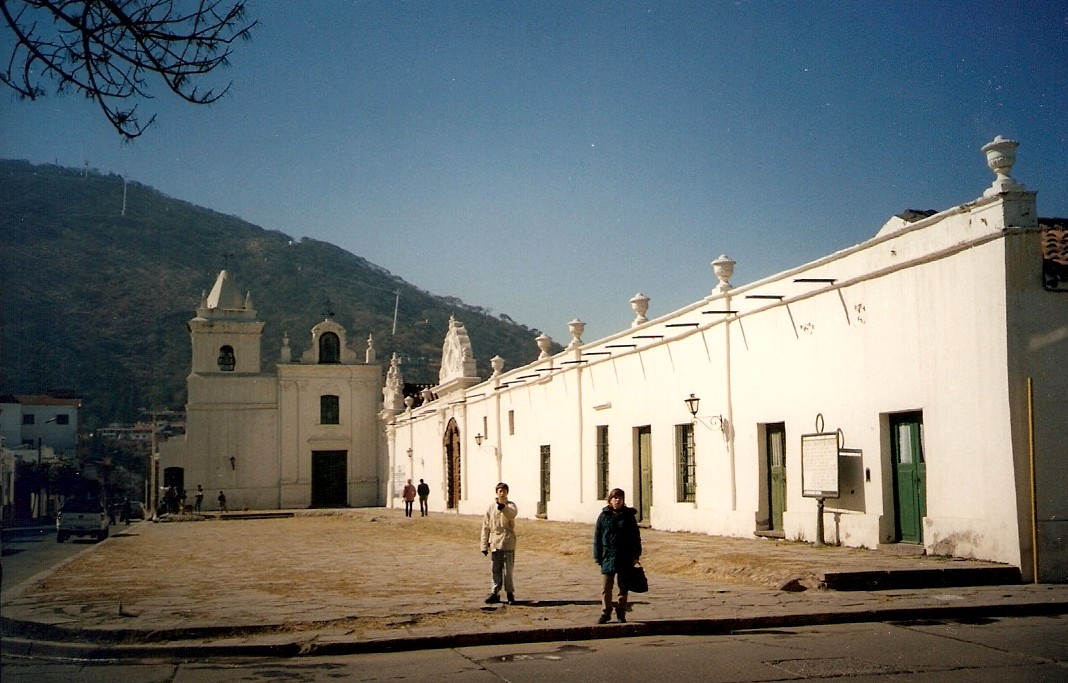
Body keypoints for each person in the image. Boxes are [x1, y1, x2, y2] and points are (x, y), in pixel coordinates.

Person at [593, 488, 642, 624]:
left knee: (623, 587)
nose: (617, 500)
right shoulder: (604, 516)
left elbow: (635, 537)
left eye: (620, 498)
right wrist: (597, 555)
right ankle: (605, 612)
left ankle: (621, 613)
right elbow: (597, 537)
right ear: (610, 500)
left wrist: (636, 555)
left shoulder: (628, 517)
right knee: (606, 588)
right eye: (615, 498)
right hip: (608, 556)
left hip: (624, 557)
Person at [479, 482, 518, 605]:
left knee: (508, 571)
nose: (502, 493)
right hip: (495, 542)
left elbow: (512, 514)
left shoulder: (510, 506)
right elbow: (486, 526)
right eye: (500, 491)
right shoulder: (491, 508)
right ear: (496, 492)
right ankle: (495, 592)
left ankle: (510, 593)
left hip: (507, 541)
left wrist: (503, 507)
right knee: (495, 569)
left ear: (507, 492)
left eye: (504, 491)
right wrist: (484, 545)